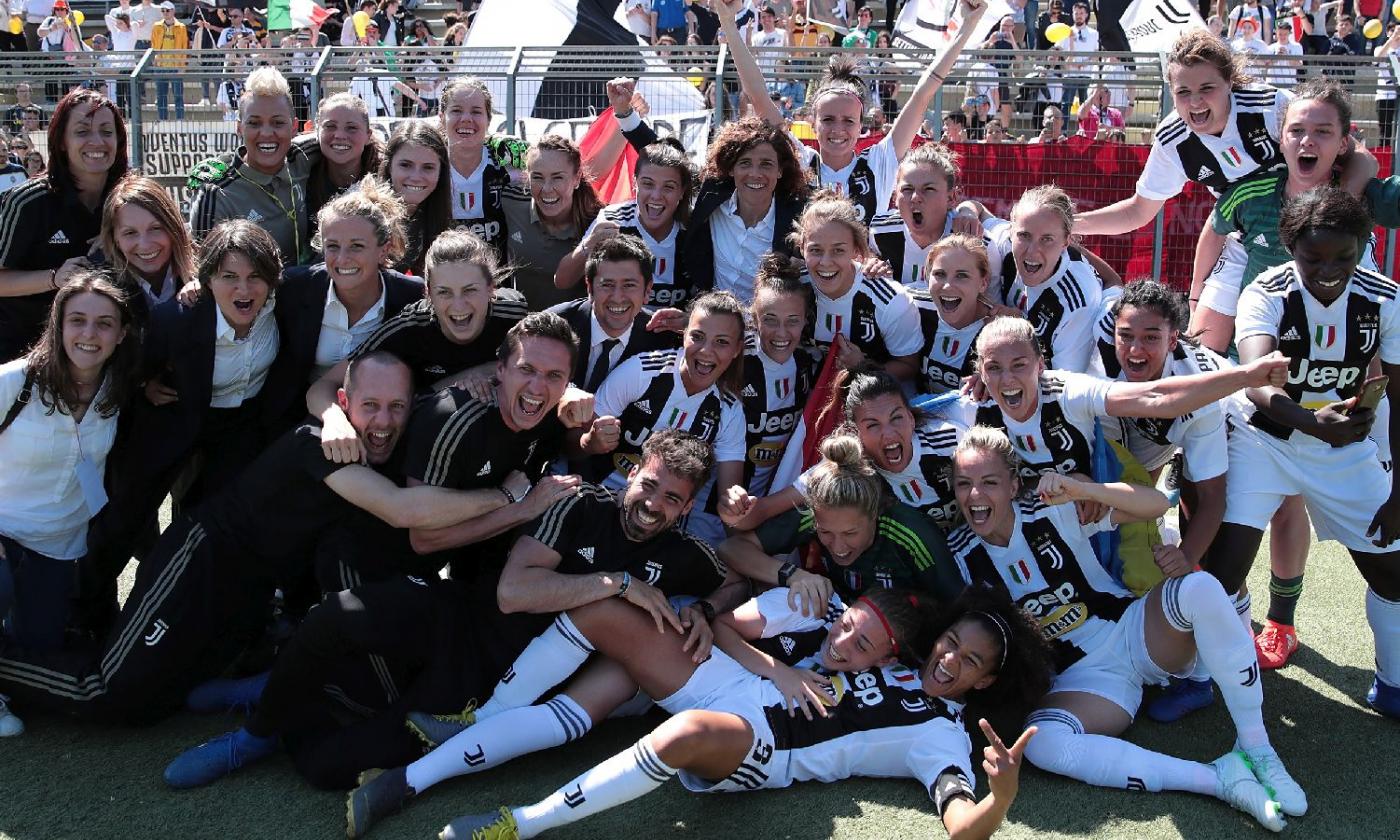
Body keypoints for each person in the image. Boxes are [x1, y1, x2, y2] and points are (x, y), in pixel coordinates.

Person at [162, 320, 620, 790]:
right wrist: (518, 505)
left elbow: (548, 437)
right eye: (526, 370)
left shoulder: (540, 413)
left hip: (421, 578)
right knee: (364, 683)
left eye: (554, 377)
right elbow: (425, 538)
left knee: (392, 693)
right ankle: (257, 727)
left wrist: (581, 436)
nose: (538, 386)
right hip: (364, 560)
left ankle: (269, 685)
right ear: (498, 369)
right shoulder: (455, 421)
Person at [0, 351, 527, 726]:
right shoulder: (318, 443)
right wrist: (507, 499)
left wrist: (492, 376)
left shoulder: (389, 436)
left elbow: (454, 387)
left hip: (245, 597)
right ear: (345, 402)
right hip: (201, 564)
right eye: (370, 406)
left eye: (397, 407)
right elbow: (400, 510)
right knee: (109, 694)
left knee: (157, 702)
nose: (383, 422)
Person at [342, 430, 745, 834]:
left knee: (588, 690)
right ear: (633, 472)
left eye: (672, 499)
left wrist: (703, 610)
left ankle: (419, 770)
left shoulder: (685, 551)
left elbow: (737, 581)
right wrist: (616, 582)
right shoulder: (580, 504)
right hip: (493, 651)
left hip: (567, 690)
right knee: (358, 753)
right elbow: (512, 594)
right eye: (649, 486)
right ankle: (412, 765)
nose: (653, 505)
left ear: (688, 506)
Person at [432, 586, 1051, 840]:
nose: (950, 661)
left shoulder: (939, 734)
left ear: (986, 680)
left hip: (765, 748)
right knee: (611, 615)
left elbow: (961, 825)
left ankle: (521, 822)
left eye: (968, 662)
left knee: (690, 732)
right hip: (737, 686)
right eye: (951, 645)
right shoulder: (886, 654)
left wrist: (1000, 798)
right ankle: (472, 731)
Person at [947, 426, 1306, 830]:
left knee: (1201, 586)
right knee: (1043, 744)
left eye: (989, 482)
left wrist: (1086, 491)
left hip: (1134, 633)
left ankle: (1256, 746)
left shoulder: (1053, 508)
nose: (975, 496)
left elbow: (1153, 504)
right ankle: (1219, 779)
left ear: (1014, 485)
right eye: (964, 484)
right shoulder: (958, 558)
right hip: (1086, 680)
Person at [1207, 187, 1400, 721]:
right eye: (1314, 258)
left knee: (1393, 571)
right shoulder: (1264, 293)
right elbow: (1258, 385)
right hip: (1263, 439)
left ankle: (1393, 682)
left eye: (1345, 255)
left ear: (1366, 244)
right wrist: (1312, 421)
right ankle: (1208, 673)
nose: (1330, 270)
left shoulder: (1385, 299)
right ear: (1292, 247)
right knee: (1223, 569)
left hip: (1345, 449)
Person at [722, 0, 988, 223]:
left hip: (867, 282)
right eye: (827, 119)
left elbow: (924, 92)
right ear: (813, 123)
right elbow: (758, 96)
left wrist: (968, 26)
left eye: (848, 120)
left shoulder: (878, 162)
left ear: (862, 125)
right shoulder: (800, 160)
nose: (838, 128)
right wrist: (727, 21)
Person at [0, 271, 140, 692]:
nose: (89, 333)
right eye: (77, 320)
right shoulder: (14, 382)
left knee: (38, 646)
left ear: (121, 334)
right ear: (58, 326)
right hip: (2, 529)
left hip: (58, 545)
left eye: (104, 323)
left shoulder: (119, 390)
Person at [946, 316, 1289, 487]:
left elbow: (1156, 397)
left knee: (1148, 504)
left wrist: (1247, 376)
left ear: (1040, 365)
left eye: (1019, 365)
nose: (1006, 380)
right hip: (1023, 531)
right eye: (993, 368)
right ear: (979, 370)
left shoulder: (1067, 392)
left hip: (1094, 516)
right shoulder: (970, 406)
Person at [307, 229, 527, 465]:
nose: (458, 305)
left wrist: (496, 371)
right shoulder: (407, 329)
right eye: (444, 292)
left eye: (470, 290)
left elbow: (544, 368)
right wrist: (335, 422)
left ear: (491, 288)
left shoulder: (512, 314)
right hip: (421, 438)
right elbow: (322, 386)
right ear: (428, 293)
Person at [1075, 29, 1293, 236]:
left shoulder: (1272, 107)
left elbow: (1324, 141)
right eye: (1183, 92)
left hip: (1301, 220)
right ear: (1172, 92)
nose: (1195, 102)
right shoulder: (1173, 140)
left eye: (1207, 88)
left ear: (1229, 82)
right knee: (1209, 278)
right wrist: (1068, 225)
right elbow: (1137, 211)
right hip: (1245, 235)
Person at [722, 429, 965, 607]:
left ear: (875, 514)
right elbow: (732, 548)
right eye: (825, 532)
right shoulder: (815, 512)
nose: (838, 547)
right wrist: (793, 575)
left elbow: (958, 606)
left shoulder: (913, 532)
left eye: (851, 533)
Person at [577, 291, 747, 545]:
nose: (706, 351)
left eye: (722, 342)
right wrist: (590, 441)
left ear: (737, 350)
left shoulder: (730, 410)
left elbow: (727, 496)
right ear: (683, 334)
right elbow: (573, 446)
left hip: (661, 525)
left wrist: (733, 503)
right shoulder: (640, 372)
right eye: (697, 337)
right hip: (602, 503)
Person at [262, 177, 423, 434]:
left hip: (385, 429)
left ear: (384, 250)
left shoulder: (411, 297)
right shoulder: (294, 289)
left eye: (357, 246)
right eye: (332, 247)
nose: (342, 258)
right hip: (299, 423)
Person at [616, 112, 808, 305]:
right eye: (745, 163)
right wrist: (626, 114)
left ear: (780, 170)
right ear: (731, 168)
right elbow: (666, 161)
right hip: (716, 322)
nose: (755, 174)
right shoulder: (711, 196)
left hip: (770, 326)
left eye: (766, 164)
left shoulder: (798, 215)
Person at [0, 87, 128, 362]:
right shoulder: (27, 202)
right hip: (24, 354)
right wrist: (55, 277)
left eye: (107, 132)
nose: (97, 142)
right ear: (61, 141)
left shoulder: (129, 200)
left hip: (102, 358)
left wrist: (120, 241)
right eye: (82, 132)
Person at [187, 67, 313, 264]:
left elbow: (340, 137)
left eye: (278, 123)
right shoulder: (216, 192)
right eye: (254, 123)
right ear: (239, 128)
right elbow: (204, 271)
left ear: (294, 127)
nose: (266, 133)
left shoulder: (303, 157)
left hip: (303, 288)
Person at [559, 134, 698, 309]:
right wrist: (588, 246)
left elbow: (706, 294)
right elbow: (562, 280)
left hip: (675, 333)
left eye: (668, 187)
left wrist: (686, 320)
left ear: (682, 192)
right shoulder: (614, 220)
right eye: (648, 184)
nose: (656, 196)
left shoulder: (694, 228)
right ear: (635, 184)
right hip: (620, 330)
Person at [795, 193, 923, 378]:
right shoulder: (794, 289)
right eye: (815, 250)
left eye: (838, 250)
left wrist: (863, 367)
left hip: (877, 397)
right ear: (802, 248)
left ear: (856, 250)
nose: (825, 262)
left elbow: (909, 367)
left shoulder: (891, 301)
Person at [983, 186, 1107, 372]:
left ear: (1066, 241)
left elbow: (1064, 386)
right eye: (1024, 236)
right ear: (1012, 231)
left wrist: (1019, 329)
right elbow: (977, 211)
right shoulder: (1004, 242)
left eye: (1047, 239)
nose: (1032, 251)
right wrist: (967, 211)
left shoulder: (1078, 301)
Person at [732, 254, 820, 497]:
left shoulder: (807, 362)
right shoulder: (734, 359)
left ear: (805, 321)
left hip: (770, 500)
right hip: (711, 504)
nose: (782, 333)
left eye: (792, 321)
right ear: (754, 318)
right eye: (770, 320)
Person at [546, 234, 680, 392]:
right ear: (589, 288)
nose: (617, 298)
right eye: (607, 285)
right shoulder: (554, 327)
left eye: (629, 285)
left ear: (647, 291)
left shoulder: (662, 340)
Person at [500, 135, 603, 311]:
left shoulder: (597, 222)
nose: (547, 189)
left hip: (576, 332)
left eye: (557, 178)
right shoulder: (510, 201)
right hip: (525, 328)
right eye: (538, 177)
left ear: (577, 178)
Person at [867, 144, 983, 291]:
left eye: (928, 189)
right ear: (895, 197)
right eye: (907, 189)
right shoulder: (879, 231)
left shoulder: (973, 238)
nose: (915, 198)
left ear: (952, 197)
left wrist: (970, 209)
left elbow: (989, 303)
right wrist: (869, 264)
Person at [438, 77, 526, 259]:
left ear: (489, 119)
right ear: (442, 118)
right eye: (456, 110)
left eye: (476, 112)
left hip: (498, 281)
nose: (466, 119)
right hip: (444, 280)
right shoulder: (429, 166)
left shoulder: (508, 161)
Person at [97, 174, 195, 320]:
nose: (145, 244)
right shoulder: (100, 288)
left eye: (155, 228)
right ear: (115, 238)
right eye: (130, 233)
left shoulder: (207, 276)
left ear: (173, 226)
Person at [910, 235, 994, 395]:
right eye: (939, 274)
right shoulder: (910, 307)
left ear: (983, 283)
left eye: (961, 276)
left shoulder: (999, 331)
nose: (948, 286)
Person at [295, 93, 384, 236]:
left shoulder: (386, 176)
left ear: (368, 135)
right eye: (330, 126)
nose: (340, 135)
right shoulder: (300, 172)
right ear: (317, 132)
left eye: (351, 128)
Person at [377, 120, 452, 276]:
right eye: (405, 165)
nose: (416, 177)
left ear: (440, 172)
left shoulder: (431, 214)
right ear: (389, 166)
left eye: (428, 167)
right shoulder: (366, 216)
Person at [151, 2, 188, 121]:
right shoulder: (156, 26)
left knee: (178, 95)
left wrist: (182, 65)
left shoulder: (181, 27)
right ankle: (162, 119)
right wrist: (154, 61)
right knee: (161, 95)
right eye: (163, 11)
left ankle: (180, 119)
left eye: (167, 10)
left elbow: (184, 47)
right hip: (161, 65)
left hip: (176, 65)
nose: (165, 13)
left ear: (173, 11)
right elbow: (153, 44)